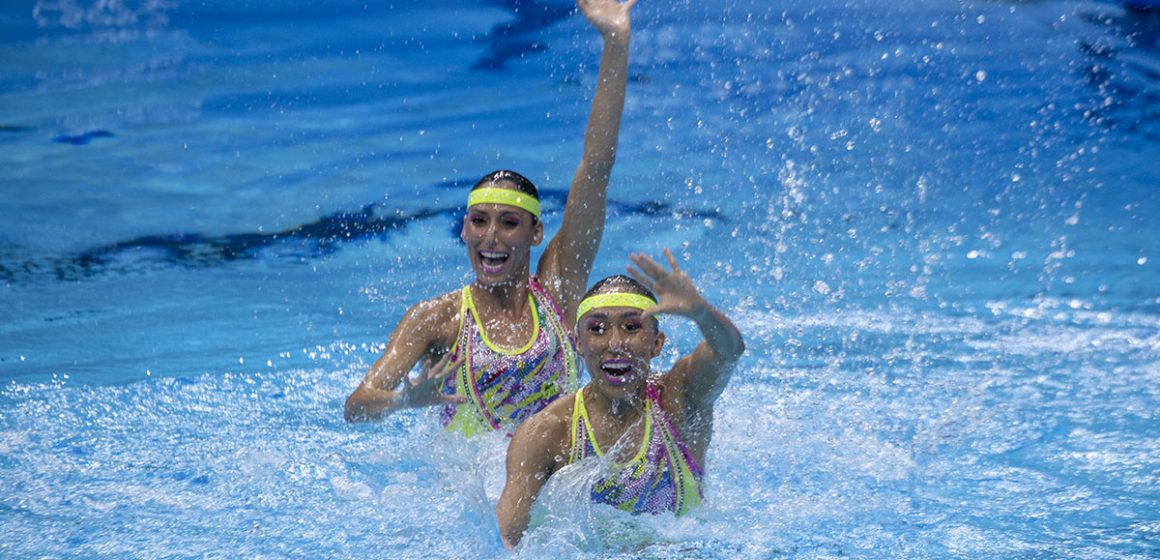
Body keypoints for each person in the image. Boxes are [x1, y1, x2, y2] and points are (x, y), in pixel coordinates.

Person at [344, 0, 640, 436]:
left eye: (508, 223)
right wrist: (406, 399)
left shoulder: (558, 291)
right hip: (470, 487)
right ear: (463, 229)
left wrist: (616, 41)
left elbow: (596, 168)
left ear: (536, 232)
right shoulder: (436, 319)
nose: (491, 238)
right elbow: (358, 405)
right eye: (479, 222)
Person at [496, 249, 745, 549]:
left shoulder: (679, 400)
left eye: (631, 327)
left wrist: (700, 312)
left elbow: (728, 351)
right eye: (597, 329)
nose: (615, 344)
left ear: (656, 344)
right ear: (577, 344)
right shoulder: (547, 434)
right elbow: (507, 543)